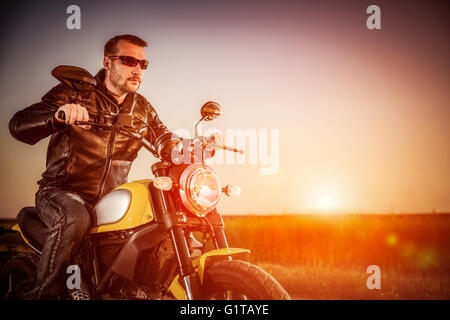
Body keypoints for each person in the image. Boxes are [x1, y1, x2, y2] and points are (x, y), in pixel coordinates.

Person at [9, 34, 172, 299]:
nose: (137, 69)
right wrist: (57, 116)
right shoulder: (76, 93)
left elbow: (163, 137)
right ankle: (43, 295)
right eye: (129, 60)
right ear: (108, 62)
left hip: (110, 200)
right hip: (61, 193)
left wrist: (186, 147)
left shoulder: (141, 108)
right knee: (75, 217)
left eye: (143, 64)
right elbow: (18, 124)